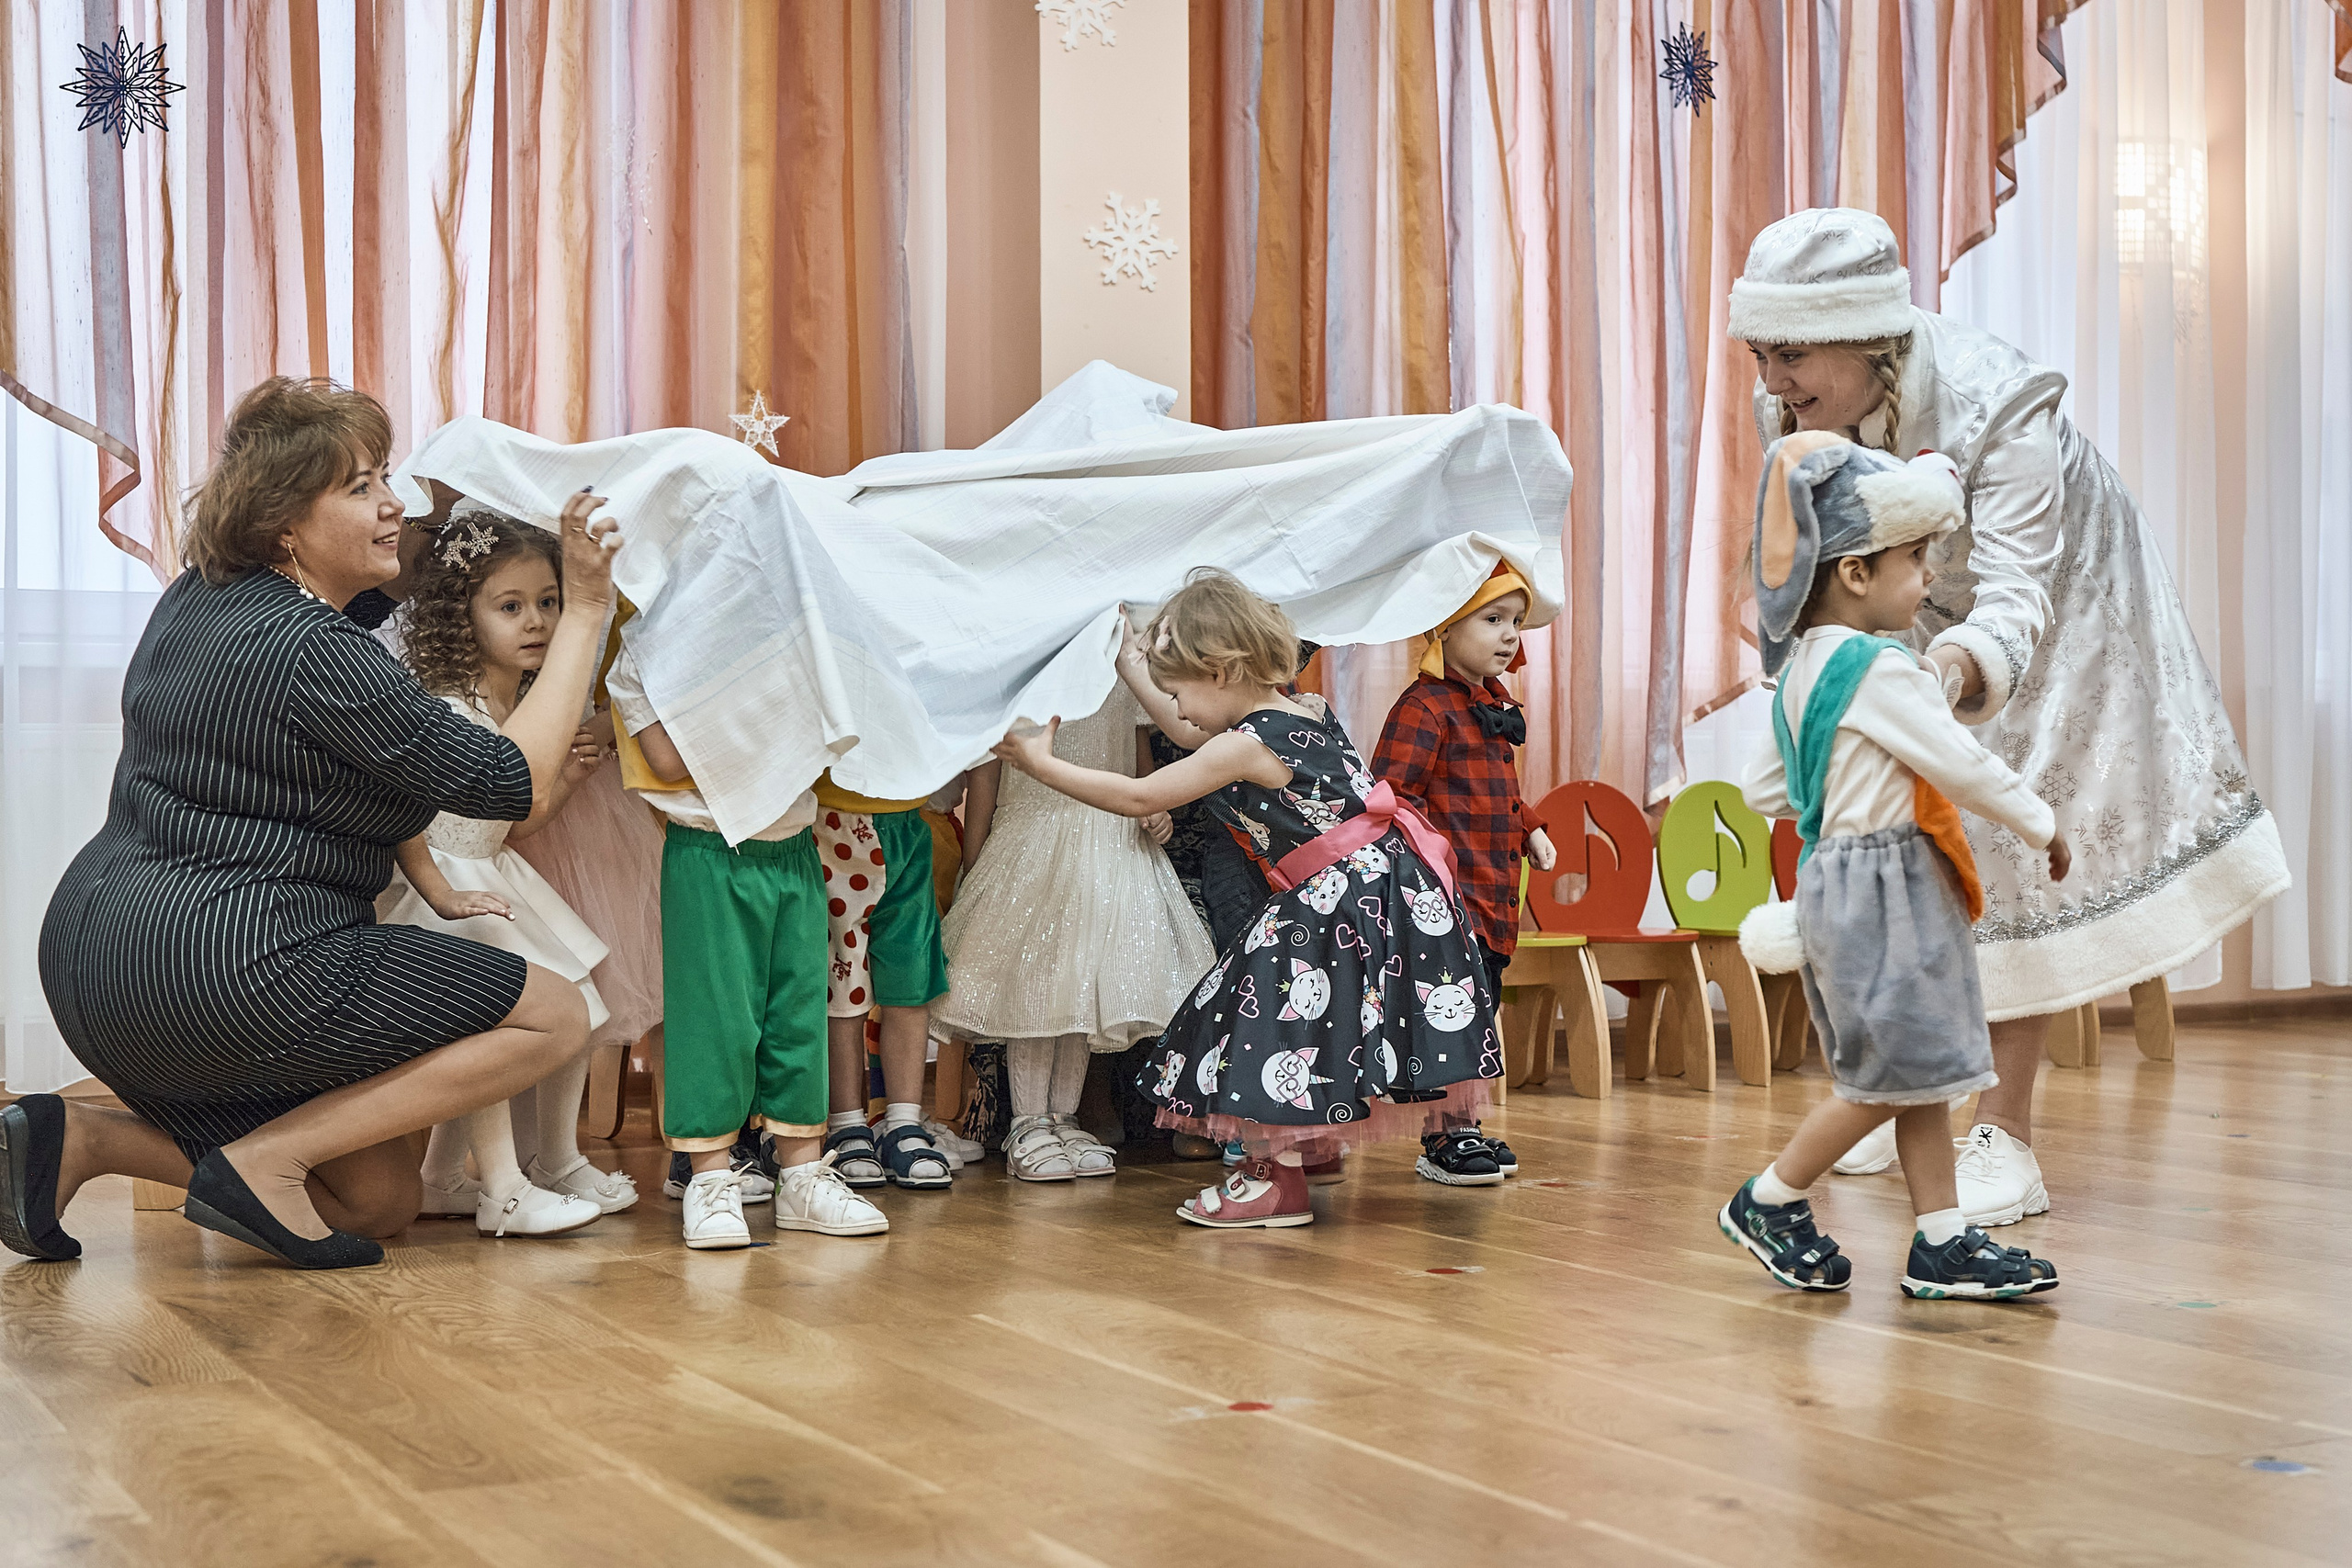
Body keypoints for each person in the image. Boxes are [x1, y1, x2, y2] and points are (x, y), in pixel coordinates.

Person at [1729, 208, 2290, 1222]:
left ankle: (2006, 1134)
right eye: (1761, 354)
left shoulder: (2002, 398)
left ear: (1867, 335)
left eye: (1793, 354)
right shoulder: (1793, 413)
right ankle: (1898, 1097)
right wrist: (1811, 689)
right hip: (1903, 608)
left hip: (2057, 602)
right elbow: (1795, 563)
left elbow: (2018, 589)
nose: (1772, 381)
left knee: (1997, 844)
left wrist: (1933, 690)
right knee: (1888, 842)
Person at [9, 377, 617, 1270]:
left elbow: (388, 579)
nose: (392, 505)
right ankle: (269, 1161)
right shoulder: (318, 654)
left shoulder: (204, 596)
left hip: (94, 960)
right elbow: (511, 779)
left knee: (374, 1199)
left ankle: (89, 1142)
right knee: (555, 1016)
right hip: (230, 967)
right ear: (285, 522)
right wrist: (588, 605)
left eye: (387, 479)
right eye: (364, 486)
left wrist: (451, 505)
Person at [993, 570, 1500, 1230]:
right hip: (1391, 893)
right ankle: (1304, 1144)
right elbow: (1202, 731)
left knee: (1266, 1023)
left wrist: (1042, 765)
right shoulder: (1306, 711)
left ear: (1222, 670)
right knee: (1329, 1023)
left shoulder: (1243, 746)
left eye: (1180, 691)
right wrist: (1130, 660)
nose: (1176, 713)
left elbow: (1144, 795)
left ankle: (1272, 1179)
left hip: (1336, 903)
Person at [1722, 433, 2064, 1299]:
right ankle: (1771, 1196)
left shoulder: (1802, 665)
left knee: (1923, 1073)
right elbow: (1959, 760)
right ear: (1856, 574)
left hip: (1835, 879)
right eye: (1916, 559)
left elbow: (1770, 783)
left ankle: (1941, 1238)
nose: (1927, 579)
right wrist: (2039, 820)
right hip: (1889, 887)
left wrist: (1838, 790)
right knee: (1886, 1077)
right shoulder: (1883, 666)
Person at [376, 507, 634, 1238]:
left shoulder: (515, 698)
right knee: (487, 1012)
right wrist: (438, 890)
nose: (537, 623)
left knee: (577, 994)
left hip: (490, 863)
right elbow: (406, 809)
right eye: (511, 606)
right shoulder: (446, 703)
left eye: (550, 602)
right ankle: (504, 1186)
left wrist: (570, 784)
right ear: (465, 615)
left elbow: (511, 819)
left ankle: (525, 1161)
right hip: (442, 883)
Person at [604, 647, 889, 1250]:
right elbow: (672, 759)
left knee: (799, 1012)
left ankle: (804, 1174)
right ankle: (709, 1177)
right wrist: (779, 725)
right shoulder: (650, 647)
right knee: (714, 1017)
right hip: (709, 849)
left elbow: (833, 745)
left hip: (792, 845)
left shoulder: (793, 630)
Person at [934, 684, 1216, 1180]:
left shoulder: (1118, 671)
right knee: (1040, 983)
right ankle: (1028, 1119)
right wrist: (976, 860)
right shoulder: (1021, 671)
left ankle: (1063, 1117)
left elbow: (1137, 756)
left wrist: (1155, 804)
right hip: (1035, 835)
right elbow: (988, 770)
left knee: (1083, 983)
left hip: (1111, 838)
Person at [1374, 563, 1558, 1187]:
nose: (1509, 635)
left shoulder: (1492, 703)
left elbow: (1498, 791)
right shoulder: (1424, 707)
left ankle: (1465, 1123)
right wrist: (1426, 868)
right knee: (1449, 1013)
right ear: (1445, 627)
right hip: (1447, 899)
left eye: (1514, 621)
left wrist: (1529, 825)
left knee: (1478, 1011)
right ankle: (1443, 1135)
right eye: (1492, 619)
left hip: (1493, 894)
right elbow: (1392, 799)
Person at [810, 773, 957, 1193]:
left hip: (907, 818)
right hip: (829, 818)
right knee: (842, 984)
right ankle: (846, 1123)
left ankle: (903, 1122)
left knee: (909, 979)